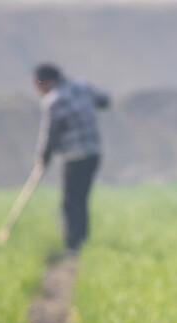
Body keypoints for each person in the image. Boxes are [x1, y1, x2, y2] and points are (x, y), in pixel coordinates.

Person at [32, 63, 110, 255]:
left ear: (45, 82)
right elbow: (104, 101)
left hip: (75, 156)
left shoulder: (54, 101)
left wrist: (43, 159)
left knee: (70, 201)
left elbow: (49, 135)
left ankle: (73, 245)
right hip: (94, 152)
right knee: (82, 198)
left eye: (37, 84)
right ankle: (82, 239)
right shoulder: (82, 87)